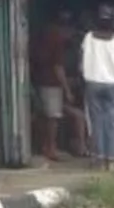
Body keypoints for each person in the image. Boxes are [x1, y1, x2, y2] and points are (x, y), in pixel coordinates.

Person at [81, 3, 114, 169]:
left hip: (93, 83)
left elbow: (81, 62)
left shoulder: (88, 37)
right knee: (113, 121)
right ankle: (112, 159)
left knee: (96, 121)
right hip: (113, 84)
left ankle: (99, 159)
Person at [31, 10, 79, 160]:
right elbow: (58, 68)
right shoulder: (57, 40)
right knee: (53, 118)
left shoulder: (44, 36)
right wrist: (68, 90)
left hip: (41, 81)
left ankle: (46, 146)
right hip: (52, 84)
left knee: (46, 116)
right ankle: (51, 148)